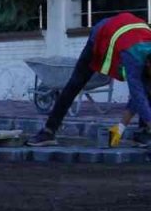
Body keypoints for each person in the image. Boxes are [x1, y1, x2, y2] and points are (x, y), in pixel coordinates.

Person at [27, 12, 151, 147]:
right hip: (101, 34)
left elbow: (138, 96)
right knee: (76, 83)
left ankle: (143, 132)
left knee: (147, 88)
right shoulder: (134, 58)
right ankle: (48, 131)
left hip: (124, 30)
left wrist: (120, 128)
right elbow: (137, 95)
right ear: (148, 63)